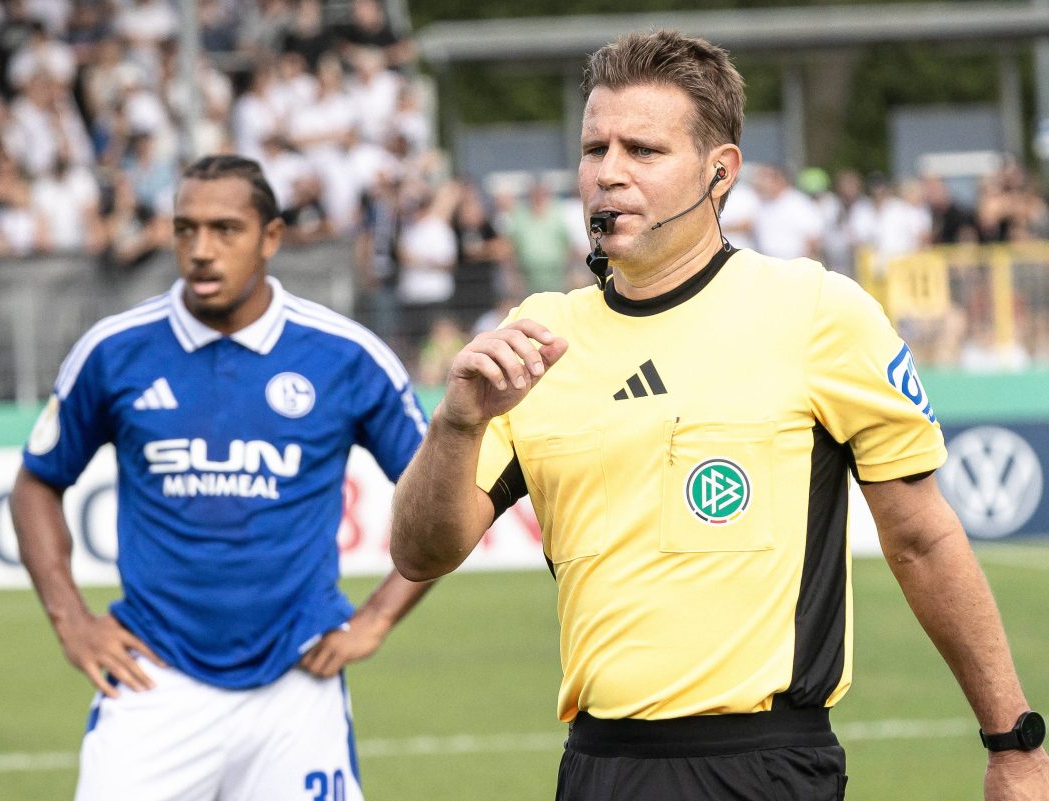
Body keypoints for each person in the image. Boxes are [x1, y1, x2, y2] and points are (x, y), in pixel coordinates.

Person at [389, 30, 1049, 801]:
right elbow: (421, 552)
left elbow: (922, 538)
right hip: (596, 767)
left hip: (763, 764)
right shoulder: (539, 334)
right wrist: (456, 423)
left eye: (643, 150)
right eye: (594, 147)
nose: (609, 173)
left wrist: (1015, 743)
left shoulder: (814, 311)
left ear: (719, 172)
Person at [10, 155, 433, 801]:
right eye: (186, 229)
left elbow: (445, 503)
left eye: (225, 229)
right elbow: (37, 482)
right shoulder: (115, 349)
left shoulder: (346, 356)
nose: (201, 250)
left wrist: (377, 616)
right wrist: (71, 618)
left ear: (271, 236)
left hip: (299, 681)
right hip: (153, 679)